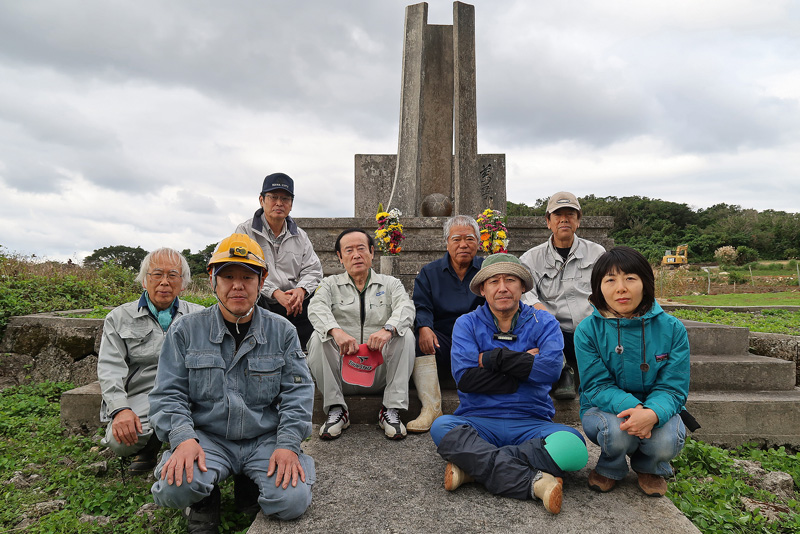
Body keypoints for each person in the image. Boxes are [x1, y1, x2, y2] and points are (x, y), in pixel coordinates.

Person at [149, 233, 315, 532]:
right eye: (228, 276)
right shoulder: (185, 330)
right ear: (213, 280)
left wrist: (289, 444)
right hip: (208, 438)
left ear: (261, 282)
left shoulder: (283, 331)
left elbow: (298, 393)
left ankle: (249, 480)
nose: (237, 285)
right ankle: (203, 498)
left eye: (247, 277)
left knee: (291, 502)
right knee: (175, 489)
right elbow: (168, 392)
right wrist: (183, 438)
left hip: (263, 437)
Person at [430, 254, 589, 515]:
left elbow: (550, 371)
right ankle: (535, 482)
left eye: (510, 280)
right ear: (483, 289)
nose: (502, 288)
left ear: (523, 287)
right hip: (478, 419)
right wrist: (525, 365)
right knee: (441, 428)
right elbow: (466, 379)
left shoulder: (545, 322)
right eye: (493, 281)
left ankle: (473, 469)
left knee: (574, 448)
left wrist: (492, 358)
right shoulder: (466, 324)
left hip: (532, 421)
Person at [575, 246, 689, 497]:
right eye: (610, 280)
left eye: (630, 278)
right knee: (616, 433)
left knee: (666, 441)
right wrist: (636, 411)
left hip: (656, 404)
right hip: (603, 407)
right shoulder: (587, 330)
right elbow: (597, 385)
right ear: (598, 287)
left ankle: (650, 467)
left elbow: (673, 387)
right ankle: (610, 466)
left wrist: (652, 413)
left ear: (645, 283)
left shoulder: (673, 329)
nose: (621, 288)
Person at [97, 248, 204, 474]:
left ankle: (169, 443)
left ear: (183, 283)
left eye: (172, 275)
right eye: (157, 274)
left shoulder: (200, 316)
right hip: (143, 395)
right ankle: (157, 438)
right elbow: (110, 368)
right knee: (120, 442)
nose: (164, 282)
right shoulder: (118, 318)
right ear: (144, 281)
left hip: (189, 394)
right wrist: (120, 410)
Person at [307, 228, 416, 440]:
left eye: (361, 248)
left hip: (379, 373)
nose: (356, 255)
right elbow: (315, 308)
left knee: (405, 335)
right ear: (340, 257)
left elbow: (406, 308)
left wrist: (387, 329)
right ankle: (337, 410)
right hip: (342, 374)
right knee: (318, 338)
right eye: (349, 250)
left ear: (372, 252)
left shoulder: (390, 284)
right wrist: (336, 331)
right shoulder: (329, 284)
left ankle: (390, 410)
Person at [520, 191, 605, 399]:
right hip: (554, 331)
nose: (564, 219)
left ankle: (600, 380)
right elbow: (525, 294)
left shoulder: (597, 253)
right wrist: (544, 315)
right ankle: (563, 371)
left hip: (592, 328)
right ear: (548, 221)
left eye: (570, 214)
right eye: (558, 215)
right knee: (533, 321)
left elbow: (607, 290)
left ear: (578, 220)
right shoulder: (531, 258)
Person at [408, 215, 485, 433]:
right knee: (416, 339)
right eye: (457, 239)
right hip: (444, 339)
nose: (463, 245)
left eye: (469, 239)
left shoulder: (487, 270)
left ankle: (483, 408)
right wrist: (424, 327)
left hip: (478, 340)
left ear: (477, 243)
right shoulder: (429, 273)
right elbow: (422, 305)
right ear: (447, 242)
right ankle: (431, 408)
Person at [236, 172, 322, 350]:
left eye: (285, 198)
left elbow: (313, 270)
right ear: (261, 200)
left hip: (294, 302)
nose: (279, 203)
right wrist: (275, 292)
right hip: (262, 298)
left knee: (316, 302)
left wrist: (301, 289)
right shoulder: (245, 232)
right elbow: (245, 271)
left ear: (291, 204)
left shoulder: (300, 235)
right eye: (273, 197)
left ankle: (303, 356)